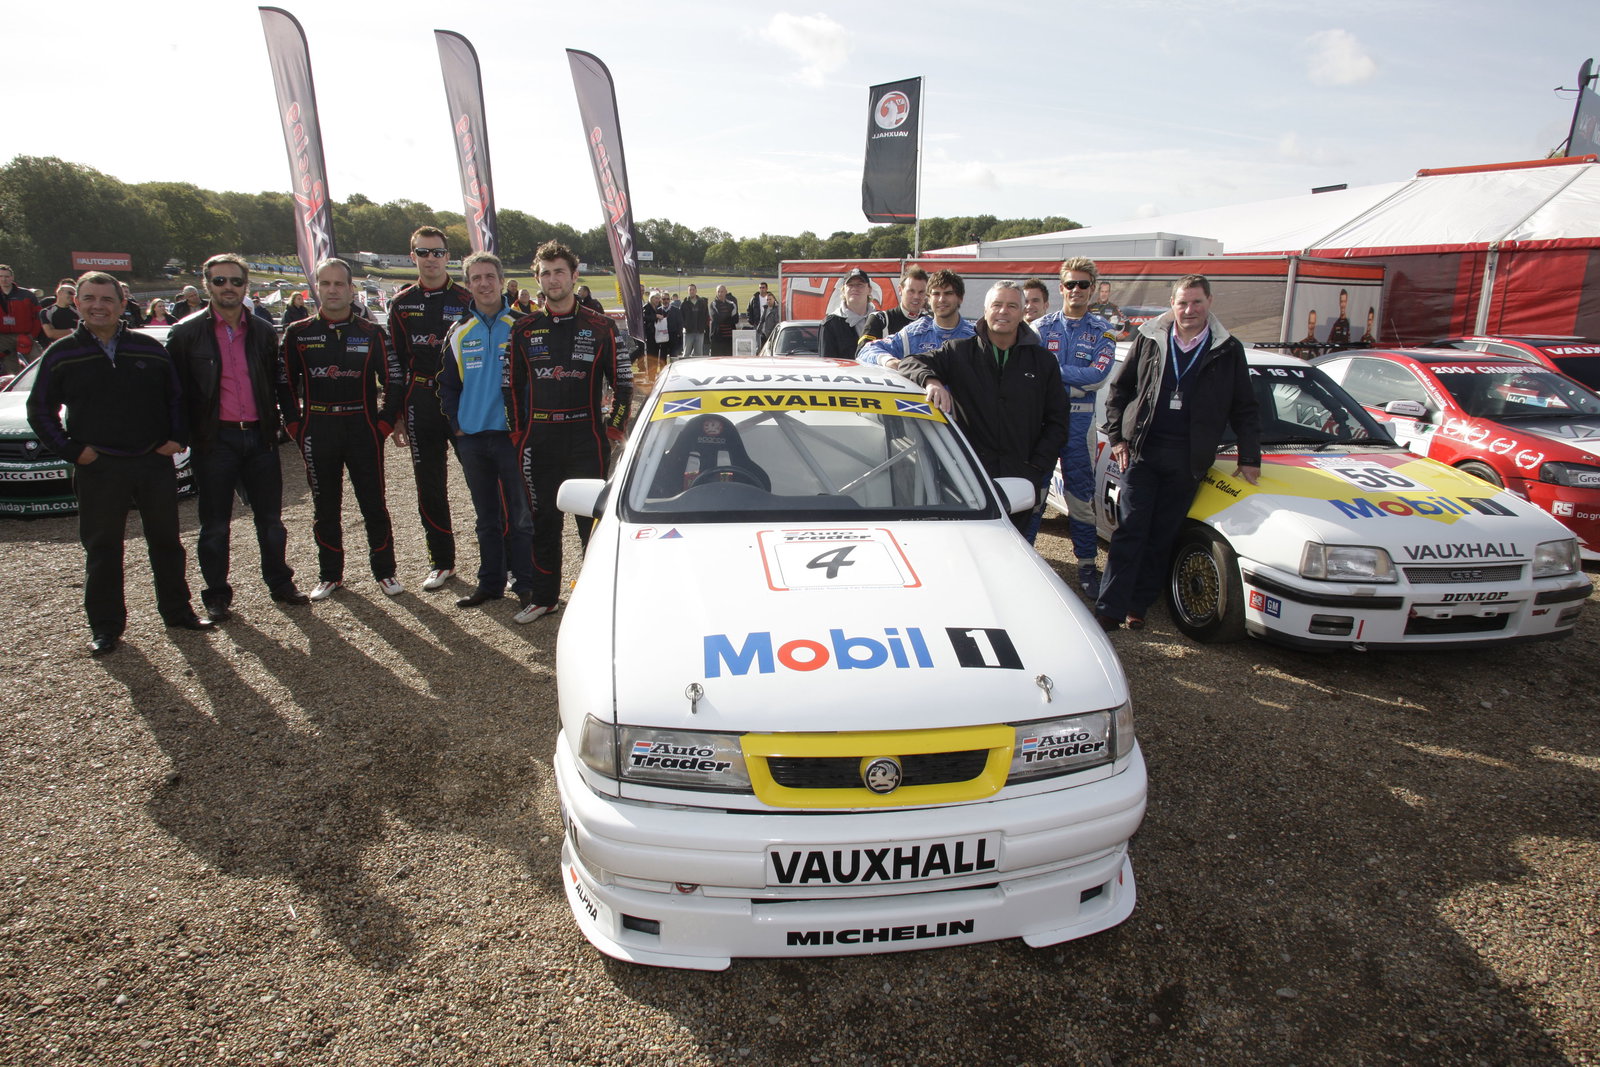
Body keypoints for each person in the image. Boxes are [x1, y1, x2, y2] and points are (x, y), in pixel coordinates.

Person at [26, 271, 212, 655]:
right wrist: (72, 450)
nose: (99, 306)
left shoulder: (147, 349)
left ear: (122, 304)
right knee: (103, 548)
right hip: (99, 466)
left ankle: (178, 611)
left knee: (166, 542)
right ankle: (106, 627)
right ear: (76, 304)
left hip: (151, 461)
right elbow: (39, 410)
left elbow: (176, 398)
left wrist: (177, 439)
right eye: (90, 298)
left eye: (107, 299)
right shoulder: (61, 354)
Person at [1095, 274, 1260, 631]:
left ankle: (1138, 605)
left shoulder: (1228, 349)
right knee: (1131, 530)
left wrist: (1250, 458)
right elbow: (1119, 391)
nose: (1189, 310)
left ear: (1210, 303)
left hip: (1187, 460)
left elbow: (1244, 407)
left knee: (1161, 535)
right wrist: (1118, 439)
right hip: (1142, 453)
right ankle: (1109, 607)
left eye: (1196, 302)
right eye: (1182, 302)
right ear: (1172, 304)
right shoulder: (1150, 338)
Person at [166, 253, 308, 621]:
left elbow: (279, 384)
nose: (228, 287)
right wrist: (177, 435)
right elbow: (173, 392)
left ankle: (280, 583)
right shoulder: (185, 332)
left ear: (246, 286)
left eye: (235, 281)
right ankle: (216, 595)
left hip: (259, 437)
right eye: (219, 281)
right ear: (206, 285)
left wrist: (290, 425)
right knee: (214, 524)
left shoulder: (262, 330)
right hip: (215, 440)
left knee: (271, 520)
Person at [508, 241, 631, 621]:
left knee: (590, 522)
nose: (552, 279)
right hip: (539, 439)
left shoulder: (600, 326)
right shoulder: (524, 328)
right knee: (542, 519)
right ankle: (544, 597)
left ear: (574, 276)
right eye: (545, 273)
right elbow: (509, 385)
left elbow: (623, 382)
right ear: (537, 279)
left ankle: (597, 598)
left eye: (559, 271)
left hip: (586, 438)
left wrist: (613, 429)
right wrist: (518, 433)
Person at [897, 281, 1070, 535]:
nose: (1003, 311)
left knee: (1015, 547)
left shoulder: (1043, 362)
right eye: (997, 305)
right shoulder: (958, 352)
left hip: (1021, 476)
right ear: (985, 310)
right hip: (968, 476)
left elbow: (1058, 420)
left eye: (1012, 306)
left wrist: (1036, 467)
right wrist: (931, 380)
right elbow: (910, 363)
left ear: (1022, 312)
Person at [280, 258, 408, 602]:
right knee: (325, 506)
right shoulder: (298, 333)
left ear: (352, 290)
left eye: (340, 284)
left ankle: (385, 571)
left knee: (373, 504)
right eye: (326, 284)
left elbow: (394, 378)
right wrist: (295, 424)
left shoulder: (370, 332)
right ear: (316, 288)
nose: (333, 290)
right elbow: (284, 384)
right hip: (318, 428)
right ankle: (330, 574)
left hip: (362, 428)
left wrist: (383, 421)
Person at [436, 252, 537, 618]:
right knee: (485, 518)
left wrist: (527, 426)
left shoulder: (524, 325)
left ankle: (526, 584)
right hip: (473, 439)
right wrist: (457, 424)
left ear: (501, 280)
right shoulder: (459, 331)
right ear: (468, 284)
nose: (484, 283)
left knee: (522, 516)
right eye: (476, 277)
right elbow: (446, 384)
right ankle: (491, 583)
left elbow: (536, 382)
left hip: (512, 438)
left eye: (490, 276)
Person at [388, 226, 472, 592]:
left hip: (465, 400)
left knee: (483, 481)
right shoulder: (401, 303)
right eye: (424, 252)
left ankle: (501, 563)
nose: (431, 259)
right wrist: (395, 414)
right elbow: (394, 363)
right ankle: (442, 561)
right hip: (421, 399)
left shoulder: (468, 299)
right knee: (429, 486)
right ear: (413, 257)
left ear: (448, 256)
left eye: (438, 252)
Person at [1027, 258, 1119, 579]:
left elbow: (1097, 377)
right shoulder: (1041, 328)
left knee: (1080, 498)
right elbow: (1030, 374)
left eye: (1083, 285)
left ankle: (1086, 565)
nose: (1076, 290)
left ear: (1092, 290)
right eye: (1070, 284)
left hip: (1080, 425)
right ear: (1061, 287)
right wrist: (1066, 378)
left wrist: (1051, 372)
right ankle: (1024, 557)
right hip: (1042, 422)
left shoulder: (1103, 331)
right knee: (1035, 494)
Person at [857, 269, 975, 368]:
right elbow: (866, 350)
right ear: (928, 299)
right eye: (936, 294)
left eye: (948, 293)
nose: (941, 299)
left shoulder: (976, 334)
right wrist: (891, 361)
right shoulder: (913, 333)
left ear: (960, 298)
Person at [856, 267, 928, 351]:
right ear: (900, 290)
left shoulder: (930, 323)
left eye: (921, 292)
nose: (916, 297)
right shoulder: (880, 319)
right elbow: (863, 352)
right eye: (911, 291)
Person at [818, 268, 874, 358]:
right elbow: (828, 364)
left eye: (860, 285)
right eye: (850, 285)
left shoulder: (881, 319)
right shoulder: (830, 324)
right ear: (843, 290)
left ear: (869, 290)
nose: (855, 288)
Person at [0, 264, 40, 375]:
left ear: (12, 278)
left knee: (39, 362)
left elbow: (37, 316)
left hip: (25, 335)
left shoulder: (27, 294)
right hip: (4, 339)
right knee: (12, 370)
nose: (4, 279)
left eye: (7, 276)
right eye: (1, 276)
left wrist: (32, 335)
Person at [680, 283, 709, 357]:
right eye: (690, 290)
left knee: (699, 354)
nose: (692, 291)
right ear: (688, 291)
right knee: (686, 353)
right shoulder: (684, 303)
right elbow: (681, 317)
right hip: (688, 332)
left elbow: (706, 316)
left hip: (699, 332)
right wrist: (685, 326)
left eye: (693, 290)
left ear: (696, 291)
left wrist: (703, 327)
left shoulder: (702, 303)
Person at [710, 284, 740, 356]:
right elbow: (716, 319)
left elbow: (735, 319)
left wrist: (723, 317)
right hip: (717, 339)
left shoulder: (732, 304)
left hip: (729, 338)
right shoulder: (713, 304)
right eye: (718, 292)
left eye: (722, 291)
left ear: (726, 292)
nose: (720, 293)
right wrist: (728, 317)